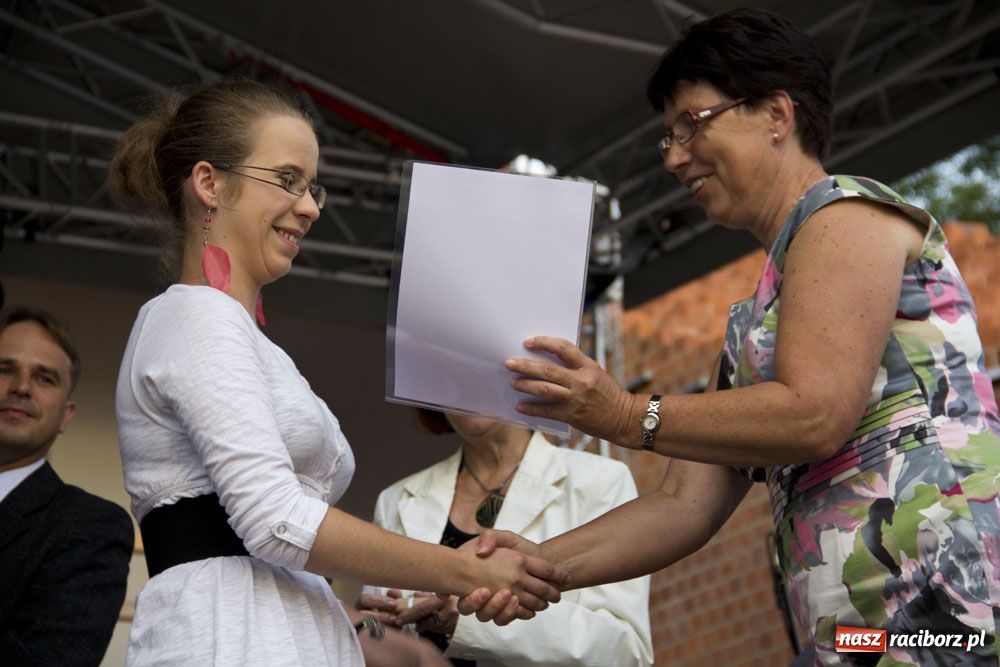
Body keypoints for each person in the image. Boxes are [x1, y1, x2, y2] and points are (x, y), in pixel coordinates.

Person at [464, 8, 1000, 666]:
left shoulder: (845, 214)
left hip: (947, 605)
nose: (674, 156)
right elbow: (683, 504)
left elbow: (815, 413)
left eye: (692, 123)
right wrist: (536, 563)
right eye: (667, 138)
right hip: (858, 631)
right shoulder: (756, 319)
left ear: (777, 114)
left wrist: (627, 412)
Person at [108, 78, 566, 666]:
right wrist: (459, 565)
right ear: (209, 184)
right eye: (286, 180)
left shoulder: (246, 338)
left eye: (312, 186)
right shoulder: (197, 315)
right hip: (228, 637)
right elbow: (275, 520)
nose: (310, 205)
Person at [358, 410, 653, 666]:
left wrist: (466, 622)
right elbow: (379, 636)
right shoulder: (395, 499)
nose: (467, 386)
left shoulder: (599, 481)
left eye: (481, 366)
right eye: (451, 374)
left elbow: (625, 652)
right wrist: (371, 626)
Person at [0, 306, 133, 666]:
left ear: (66, 415)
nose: (21, 388)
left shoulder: (91, 529)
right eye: (5, 369)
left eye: (45, 378)